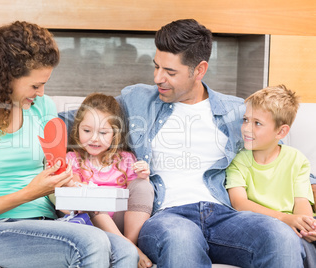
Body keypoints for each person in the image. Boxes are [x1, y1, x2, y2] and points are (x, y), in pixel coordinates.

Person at [60, 18, 306, 267]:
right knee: (181, 240)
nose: (157, 78)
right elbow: (75, 119)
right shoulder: (137, 100)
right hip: (167, 216)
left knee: (280, 237)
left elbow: (281, 155)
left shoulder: (236, 112)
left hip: (224, 215)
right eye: (156, 67)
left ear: (199, 70)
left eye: (170, 72)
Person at [0, 21, 138, 268]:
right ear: (4, 78)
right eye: (35, 85)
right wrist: (29, 194)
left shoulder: (43, 109)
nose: (42, 93)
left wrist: (68, 186)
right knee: (91, 243)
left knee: (126, 253)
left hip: (47, 222)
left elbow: (57, 173)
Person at [225, 85, 316, 268]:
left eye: (257, 123)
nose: (246, 128)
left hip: (294, 227)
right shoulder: (238, 160)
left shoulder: (296, 160)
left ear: (281, 132)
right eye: (245, 120)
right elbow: (240, 203)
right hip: (262, 227)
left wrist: (307, 226)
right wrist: (284, 219)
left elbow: (302, 203)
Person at [66, 92, 154, 268]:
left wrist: (143, 176)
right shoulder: (72, 158)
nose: (94, 138)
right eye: (87, 131)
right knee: (86, 195)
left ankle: (127, 243)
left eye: (103, 132)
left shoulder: (126, 158)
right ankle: (128, 248)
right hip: (90, 223)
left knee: (143, 186)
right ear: (77, 129)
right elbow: (73, 190)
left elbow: (135, 195)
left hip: (122, 222)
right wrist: (72, 181)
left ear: (115, 134)